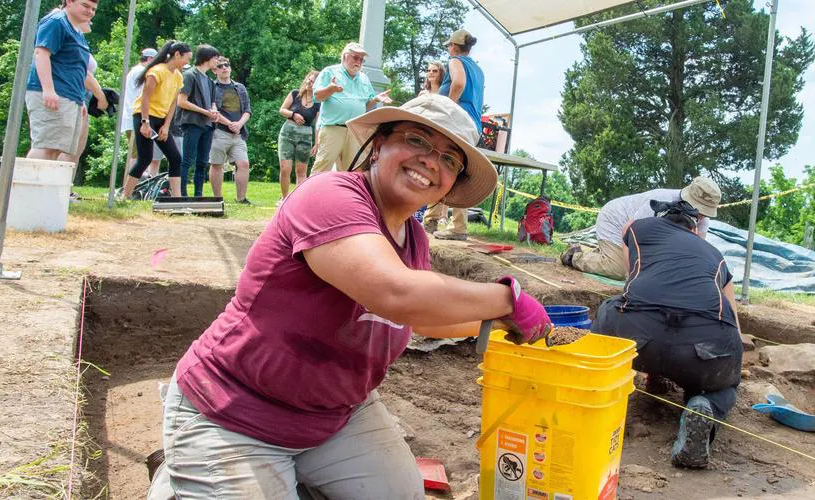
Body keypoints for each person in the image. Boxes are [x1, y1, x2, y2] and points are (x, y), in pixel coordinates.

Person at [145, 93, 550, 498]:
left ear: (449, 185)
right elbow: (394, 292)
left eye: (449, 159)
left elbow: (421, 316)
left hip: (335, 417)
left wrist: (501, 322)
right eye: (418, 141)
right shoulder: (330, 195)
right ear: (378, 146)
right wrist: (508, 299)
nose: (431, 161)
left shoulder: (415, 238)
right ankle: (179, 476)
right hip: (233, 410)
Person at [590, 199, 745, 469]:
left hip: (637, 335)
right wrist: (733, 363)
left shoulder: (638, 228)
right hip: (703, 350)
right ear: (694, 229)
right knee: (724, 385)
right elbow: (732, 317)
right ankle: (705, 403)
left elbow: (634, 279)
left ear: (661, 217)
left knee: (611, 306)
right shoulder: (714, 254)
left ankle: (594, 390)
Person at [561, 176, 723, 280]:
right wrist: (632, 273)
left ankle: (606, 254)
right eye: (699, 209)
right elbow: (629, 231)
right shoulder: (661, 201)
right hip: (615, 219)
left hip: (632, 230)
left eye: (705, 211)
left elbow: (695, 250)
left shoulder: (702, 219)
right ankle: (574, 256)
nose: (701, 215)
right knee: (620, 270)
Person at [426, 30, 485, 241]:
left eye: (448, 45)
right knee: (452, 168)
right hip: (472, 124)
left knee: (443, 166)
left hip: (459, 121)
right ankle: (434, 220)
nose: (448, 49)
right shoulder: (477, 69)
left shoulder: (455, 61)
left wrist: (448, 109)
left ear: (453, 46)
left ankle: (454, 226)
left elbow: (458, 84)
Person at [24, 0, 97, 161]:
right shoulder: (57, 22)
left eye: (93, 9)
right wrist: (48, 90)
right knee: (46, 147)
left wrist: (80, 100)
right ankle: (29, 186)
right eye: (85, 6)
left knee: (56, 149)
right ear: (69, 2)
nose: (90, 11)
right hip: (53, 94)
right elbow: (41, 54)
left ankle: (46, 186)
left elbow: (75, 69)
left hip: (71, 97)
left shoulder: (76, 30)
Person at [310, 42, 392, 175]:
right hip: (333, 129)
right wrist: (330, 89)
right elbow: (317, 97)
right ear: (344, 56)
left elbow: (365, 105)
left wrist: (376, 99)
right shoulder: (330, 72)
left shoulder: (364, 79)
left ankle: (343, 196)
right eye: (355, 57)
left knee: (351, 172)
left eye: (361, 59)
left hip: (354, 130)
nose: (358, 62)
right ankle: (308, 195)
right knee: (321, 170)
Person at [122, 41, 190, 199]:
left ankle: (177, 197)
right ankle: (125, 195)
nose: (187, 62)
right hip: (144, 116)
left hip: (161, 118)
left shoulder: (178, 76)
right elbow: (145, 97)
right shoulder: (156, 71)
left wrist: (166, 126)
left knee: (175, 157)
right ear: (177, 55)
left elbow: (173, 103)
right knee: (145, 158)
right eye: (186, 58)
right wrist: (145, 123)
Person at [175, 44, 222, 197]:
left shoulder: (209, 80)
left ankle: (198, 194)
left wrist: (213, 112)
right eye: (215, 58)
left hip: (208, 126)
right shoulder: (190, 75)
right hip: (193, 123)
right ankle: (181, 193)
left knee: (202, 162)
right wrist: (205, 112)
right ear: (207, 58)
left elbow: (212, 102)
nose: (218, 62)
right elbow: (181, 101)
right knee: (187, 160)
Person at [208, 56, 253, 204]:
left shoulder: (240, 87)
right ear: (215, 71)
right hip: (218, 131)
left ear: (230, 68)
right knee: (217, 164)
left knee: (244, 164)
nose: (224, 68)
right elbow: (212, 110)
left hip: (238, 133)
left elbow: (247, 110)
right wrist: (229, 124)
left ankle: (241, 198)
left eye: (226, 65)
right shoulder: (211, 87)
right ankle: (217, 199)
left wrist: (239, 124)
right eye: (220, 66)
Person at [277, 70, 320, 200]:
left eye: (312, 81)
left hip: (305, 137)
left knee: (301, 172)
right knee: (285, 168)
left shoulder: (318, 103)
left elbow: (318, 124)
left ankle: (297, 202)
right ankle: (284, 199)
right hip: (287, 133)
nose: (309, 82)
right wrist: (293, 114)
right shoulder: (295, 94)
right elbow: (282, 110)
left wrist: (317, 143)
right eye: (308, 79)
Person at [122, 48, 159, 177]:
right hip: (136, 118)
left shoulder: (134, 71)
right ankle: (133, 186)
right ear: (150, 59)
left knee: (137, 153)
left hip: (132, 117)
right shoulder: (142, 72)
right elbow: (144, 97)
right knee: (137, 154)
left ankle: (133, 185)